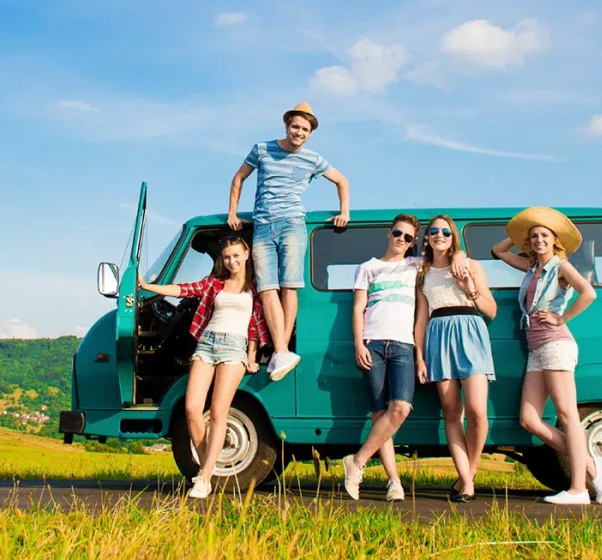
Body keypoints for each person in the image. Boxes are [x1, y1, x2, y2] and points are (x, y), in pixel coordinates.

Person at [342, 215, 471, 502]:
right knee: (380, 415)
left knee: (399, 409)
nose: (401, 239)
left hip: (403, 346)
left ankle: (358, 461)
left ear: (414, 242)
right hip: (372, 344)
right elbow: (358, 308)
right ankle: (394, 483)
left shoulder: (416, 266)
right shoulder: (368, 268)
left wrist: (460, 252)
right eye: (398, 233)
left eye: (408, 237)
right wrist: (358, 345)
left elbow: (444, 252)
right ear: (389, 233)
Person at [138, 233, 269, 499]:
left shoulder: (255, 289)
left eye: (236, 256)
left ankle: (206, 477)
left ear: (246, 254)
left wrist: (252, 356)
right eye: (227, 257)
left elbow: (255, 327)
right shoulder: (214, 284)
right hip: (207, 344)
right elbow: (183, 290)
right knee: (192, 408)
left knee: (220, 412)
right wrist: (148, 286)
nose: (232, 261)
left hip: (234, 348)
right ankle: (207, 461)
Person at [492, 206, 602, 505]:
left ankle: (579, 490)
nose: (539, 240)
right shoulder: (531, 268)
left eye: (544, 235)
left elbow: (589, 293)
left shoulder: (561, 267)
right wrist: (522, 228)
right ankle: (591, 465)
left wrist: (561, 318)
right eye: (534, 237)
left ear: (555, 240)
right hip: (536, 349)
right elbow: (498, 250)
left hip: (556, 344)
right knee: (529, 419)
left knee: (567, 415)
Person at [227, 102, 349, 381]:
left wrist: (345, 212)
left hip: (293, 224)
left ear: (310, 133)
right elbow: (238, 178)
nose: (299, 132)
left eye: (305, 129)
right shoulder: (261, 149)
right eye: (295, 126)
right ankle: (281, 351)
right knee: (268, 288)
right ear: (287, 126)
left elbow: (342, 180)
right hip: (262, 225)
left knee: (288, 286)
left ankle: (279, 351)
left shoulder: (313, 159)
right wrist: (233, 212)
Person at [414, 215, 497, 503]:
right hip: (438, 336)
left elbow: (491, 310)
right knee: (451, 412)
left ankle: (467, 475)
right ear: (427, 237)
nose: (440, 235)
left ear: (453, 237)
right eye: (434, 231)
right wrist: (420, 358)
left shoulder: (470, 265)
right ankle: (468, 483)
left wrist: (468, 288)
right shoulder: (423, 273)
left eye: (446, 232)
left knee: (477, 411)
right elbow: (421, 321)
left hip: (470, 332)